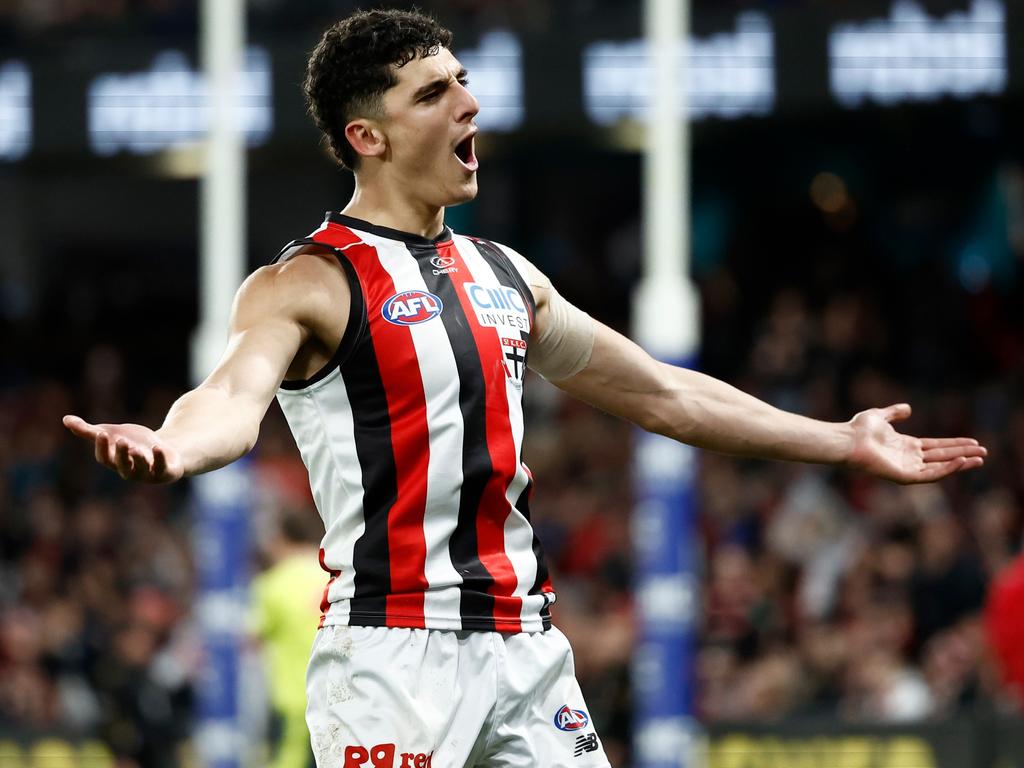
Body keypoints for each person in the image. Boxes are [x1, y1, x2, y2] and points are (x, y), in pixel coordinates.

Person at [63, 8, 987, 767]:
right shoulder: (308, 281)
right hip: (394, 655)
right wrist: (172, 447)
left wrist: (840, 438)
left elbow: (665, 394)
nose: (470, 103)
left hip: (527, 649)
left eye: (462, 80)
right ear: (367, 136)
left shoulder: (508, 278)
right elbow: (229, 396)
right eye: (436, 92)